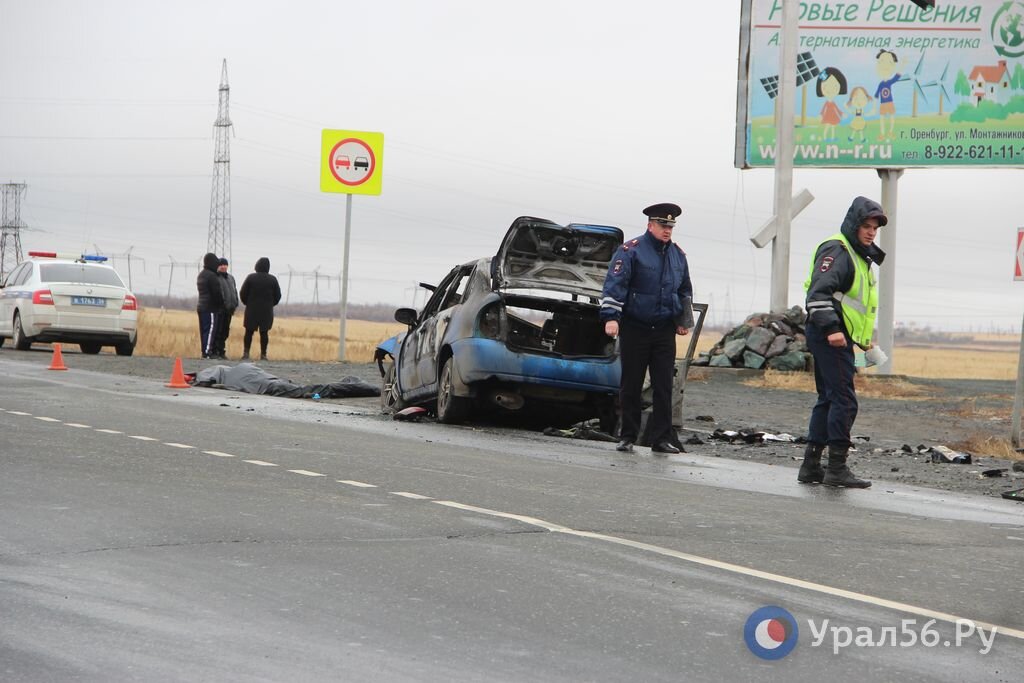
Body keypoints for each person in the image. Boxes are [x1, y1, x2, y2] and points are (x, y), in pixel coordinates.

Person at [799, 196, 887, 488]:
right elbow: (819, 293)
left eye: (874, 227)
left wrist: (862, 341)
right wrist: (833, 329)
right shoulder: (838, 250)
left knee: (829, 398)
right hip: (830, 334)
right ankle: (836, 468)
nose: (871, 232)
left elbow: (853, 303)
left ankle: (811, 466)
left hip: (837, 334)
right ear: (854, 224)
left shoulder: (859, 255)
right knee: (844, 400)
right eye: (866, 225)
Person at [600, 203, 694, 455]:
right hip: (635, 326)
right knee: (631, 383)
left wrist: (683, 321)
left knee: (664, 385)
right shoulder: (631, 251)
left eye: (670, 227)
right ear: (650, 225)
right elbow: (615, 285)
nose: (667, 230)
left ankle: (661, 439)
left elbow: (684, 289)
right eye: (663, 226)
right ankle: (627, 436)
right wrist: (611, 317)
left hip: (663, 329)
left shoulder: (678, 255)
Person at [238, 256, 282, 361]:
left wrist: (247, 303)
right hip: (266, 311)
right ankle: (263, 355)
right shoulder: (273, 279)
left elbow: (243, 293)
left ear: (256, 266)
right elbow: (278, 295)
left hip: (251, 309)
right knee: (264, 332)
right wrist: (271, 304)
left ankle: (246, 353)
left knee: (248, 332)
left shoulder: (250, 277)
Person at [196, 252, 225, 359]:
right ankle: (207, 352)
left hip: (201, 306)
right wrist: (221, 304)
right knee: (210, 330)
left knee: (204, 330)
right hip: (210, 307)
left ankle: (205, 350)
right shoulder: (212, 276)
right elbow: (217, 293)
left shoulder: (202, 274)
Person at [214, 257, 240, 359]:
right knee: (218, 331)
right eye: (221, 265)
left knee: (225, 332)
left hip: (230, 310)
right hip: (220, 310)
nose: (224, 267)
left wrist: (236, 303)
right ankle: (216, 351)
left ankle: (222, 351)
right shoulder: (215, 277)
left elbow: (234, 291)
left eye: (225, 265)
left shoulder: (231, 278)